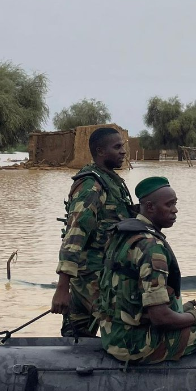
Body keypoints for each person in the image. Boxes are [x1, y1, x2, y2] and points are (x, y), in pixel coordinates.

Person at [99, 176, 196, 363]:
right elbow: (160, 318)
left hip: (112, 335)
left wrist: (181, 312)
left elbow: (130, 297)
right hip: (136, 345)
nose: (175, 210)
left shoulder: (121, 235)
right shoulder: (152, 248)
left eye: (175, 204)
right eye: (169, 205)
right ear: (150, 207)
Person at [51, 127, 135, 337]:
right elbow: (74, 235)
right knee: (120, 330)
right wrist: (62, 288)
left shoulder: (112, 182)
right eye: (117, 147)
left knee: (77, 334)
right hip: (92, 277)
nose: (123, 151)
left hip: (102, 273)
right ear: (100, 151)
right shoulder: (91, 186)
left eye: (122, 146)